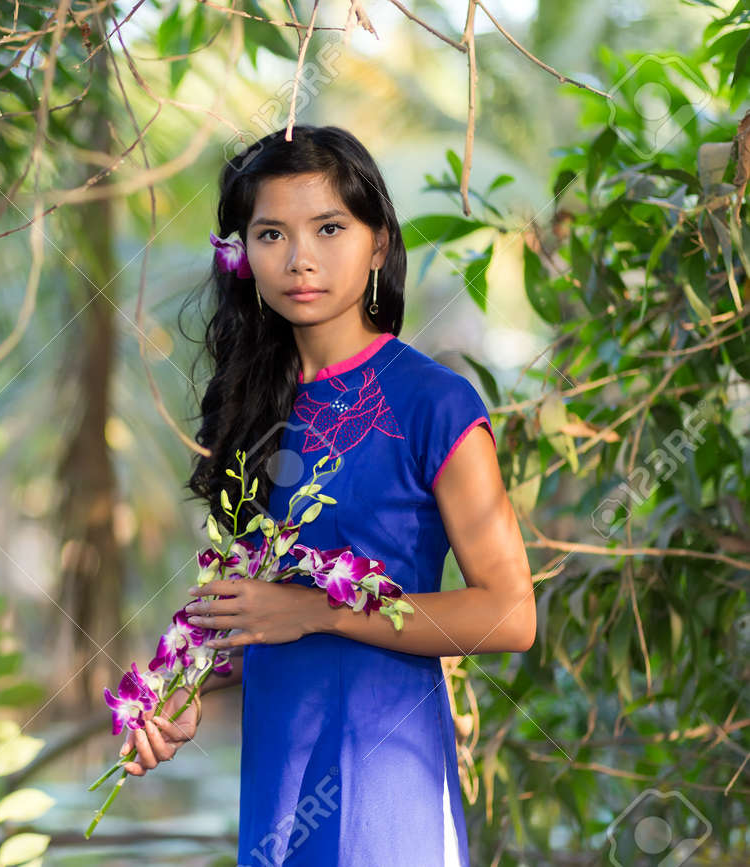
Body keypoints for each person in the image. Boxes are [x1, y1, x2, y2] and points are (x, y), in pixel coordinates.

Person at [118, 125, 536, 867]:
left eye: (330, 227)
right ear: (243, 254)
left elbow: (509, 613)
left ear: (378, 243)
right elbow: (260, 611)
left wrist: (318, 610)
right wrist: (184, 691)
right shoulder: (248, 408)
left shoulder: (433, 403)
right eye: (271, 232)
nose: (299, 257)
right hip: (277, 773)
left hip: (389, 775)